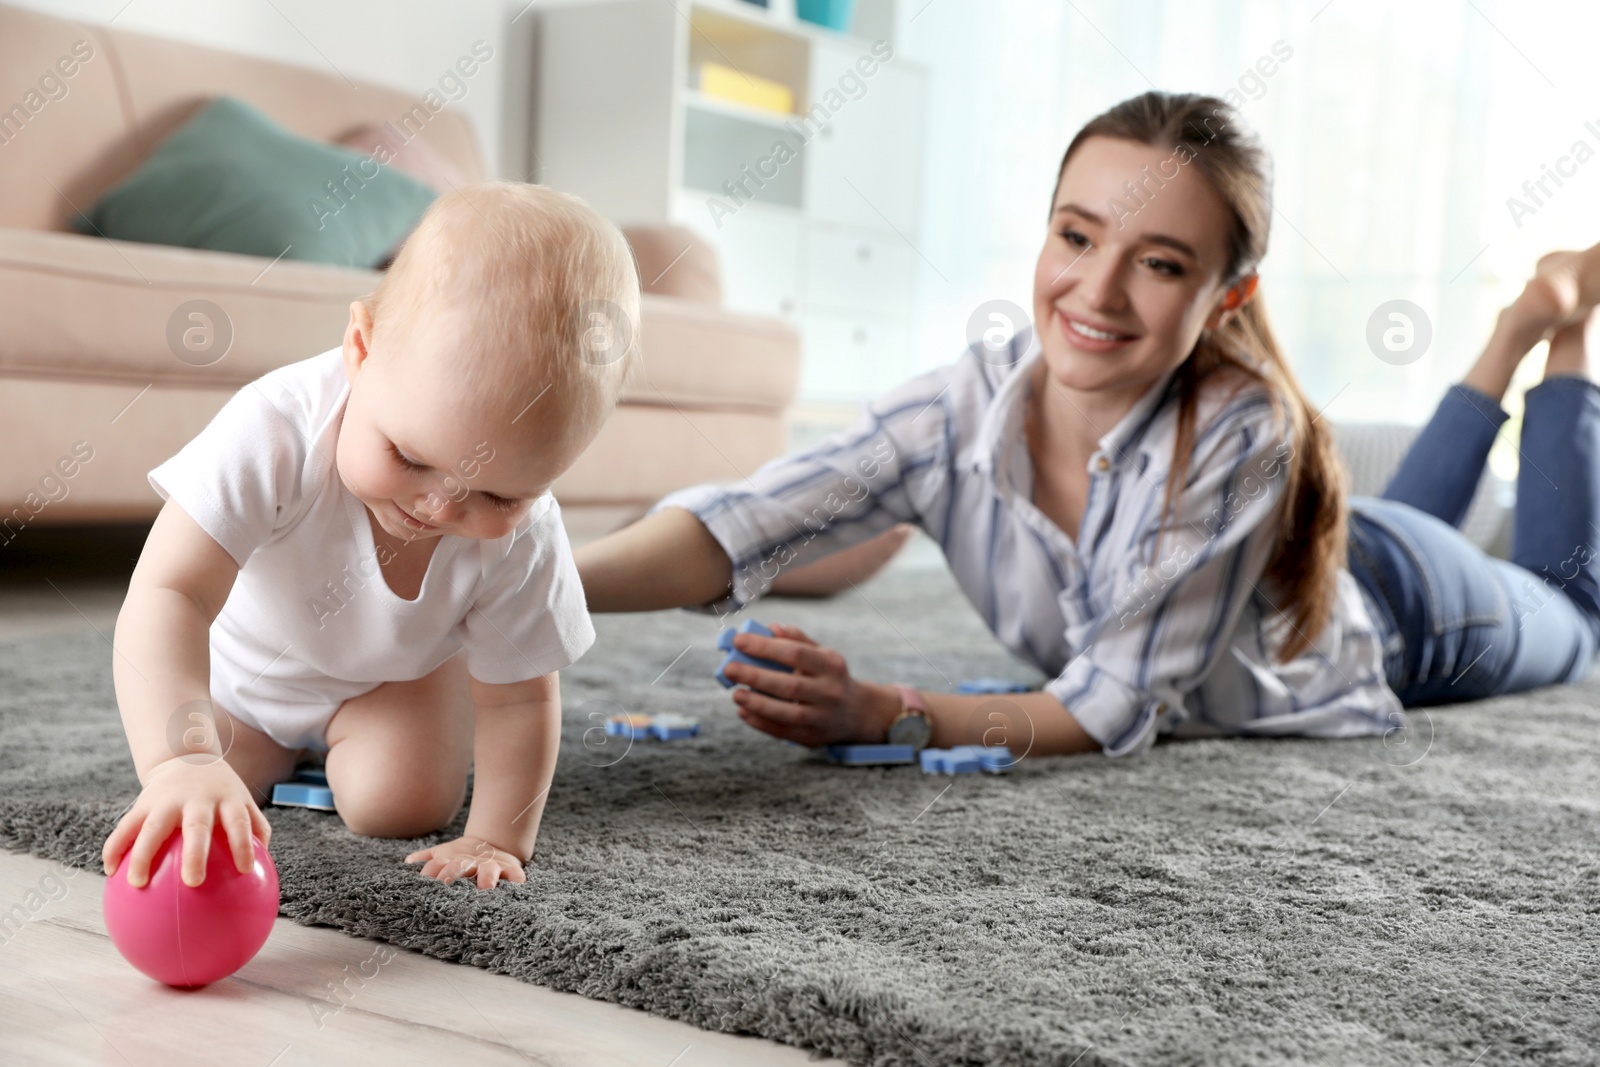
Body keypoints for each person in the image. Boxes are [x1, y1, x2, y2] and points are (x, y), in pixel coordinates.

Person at [574, 90, 1600, 762]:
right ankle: (1509, 332)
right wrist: (532, 571)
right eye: (1076, 235)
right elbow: (741, 526)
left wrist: (887, 708)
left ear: (1226, 298)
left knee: (1578, 613)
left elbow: (1112, 705)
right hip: (1324, 545)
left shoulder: (1242, 433)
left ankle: (1556, 340)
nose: (1095, 292)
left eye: (1158, 263)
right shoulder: (959, 405)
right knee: (1387, 512)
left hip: (1412, 611)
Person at [102, 182, 639, 892]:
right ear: (360, 348)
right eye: (410, 457)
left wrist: (494, 836)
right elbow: (169, 593)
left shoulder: (528, 531)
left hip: (393, 681)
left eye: (498, 493)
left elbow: (520, 698)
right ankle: (243, 747)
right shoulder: (275, 429)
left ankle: (410, 701)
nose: (440, 504)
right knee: (208, 790)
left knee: (403, 806)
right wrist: (181, 760)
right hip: (242, 678)